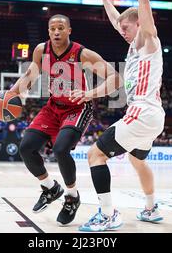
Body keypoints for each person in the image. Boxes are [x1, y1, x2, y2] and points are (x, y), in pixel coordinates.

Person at [77, 0, 165, 232]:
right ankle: (151, 208)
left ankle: (107, 214)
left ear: (140, 24)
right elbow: (118, 20)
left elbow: (144, 3)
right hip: (152, 115)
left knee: (95, 155)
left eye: (127, 28)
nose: (121, 31)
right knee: (137, 160)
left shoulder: (149, 40)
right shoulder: (133, 45)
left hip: (142, 112)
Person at [10, 14, 120, 226]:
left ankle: (71, 197)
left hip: (78, 107)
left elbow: (116, 78)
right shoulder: (42, 51)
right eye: (52, 29)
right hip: (53, 107)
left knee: (61, 149)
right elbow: (29, 76)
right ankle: (51, 188)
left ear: (69, 30)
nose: (56, 32)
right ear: (48, 31)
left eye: (61, 28)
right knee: (26, 147)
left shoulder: (82, 54)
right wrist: (10, 94)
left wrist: (90, 94)